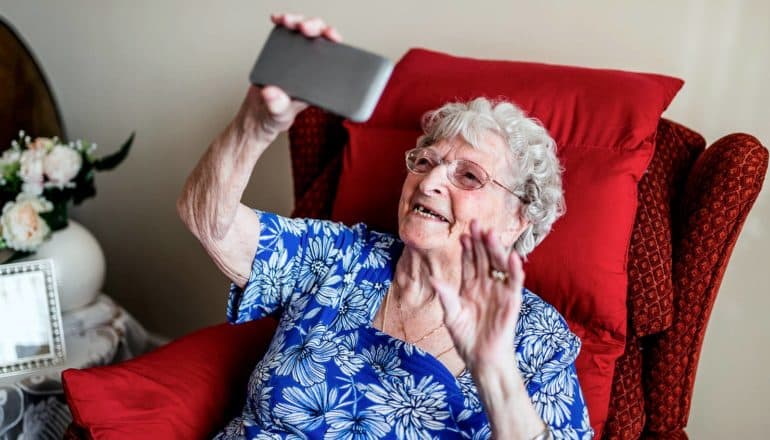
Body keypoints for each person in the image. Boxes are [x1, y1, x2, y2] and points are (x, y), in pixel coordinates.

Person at [178, 13, 593, 440]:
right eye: (425, 161)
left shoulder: (538, 340)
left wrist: (495, 375)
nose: (429, 182)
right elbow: (208, 221)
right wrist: (255, 124)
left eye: (468, 176)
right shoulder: (342, 257)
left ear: (517, 219)